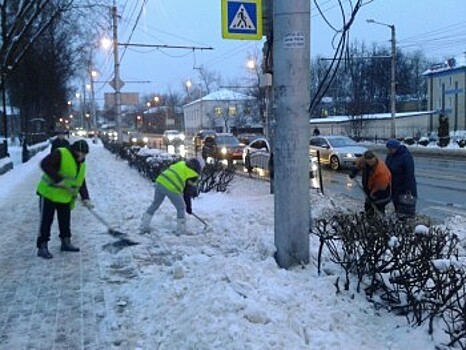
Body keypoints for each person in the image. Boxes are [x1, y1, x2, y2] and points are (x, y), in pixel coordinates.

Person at [36, 139, 93, 259]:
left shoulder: (82, 164)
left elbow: (80, 181)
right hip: (48, 193)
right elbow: (44, 164)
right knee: (46, 221)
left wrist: (86, 198)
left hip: (65, 196)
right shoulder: (60, 153)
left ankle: (65, 242)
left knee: (65, 220)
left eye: (85, 155)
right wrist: (58, 179)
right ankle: (42, 246)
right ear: (75, 151)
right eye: (81, 154)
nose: (82, 157)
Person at [139, 157, 203, 235]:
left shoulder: (181, 164)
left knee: (155, 203)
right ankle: (181, 230)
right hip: (171, 187)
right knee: (181, 207)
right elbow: (187, 193)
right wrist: (188, 207)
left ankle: (144, 225)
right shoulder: (193, 174)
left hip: (160, 181)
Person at [349, 150, 392, 216]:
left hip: (382, 193)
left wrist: (372, 195)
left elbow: (380, 187)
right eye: (368, 161)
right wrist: (354, 170)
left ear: (374, 158)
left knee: (378, 208)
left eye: (371, 161)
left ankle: (379, 221)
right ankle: (369, 218)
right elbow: (359, 163)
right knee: (368, 207)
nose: (370, 163)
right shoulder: (364, 160)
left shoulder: (381, 171)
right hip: (369, 188)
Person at [385, 139, 417, 218]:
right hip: (394, 186)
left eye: (390, 148)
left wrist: (408, 188)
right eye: (388, 148)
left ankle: (404, 224)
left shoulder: (405, 156)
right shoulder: (390, 156)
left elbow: (409, 173)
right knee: (397, 206)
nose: (389, 150)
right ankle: (399, 223)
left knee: (405, 209)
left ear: (396, 148)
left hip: (404, 187)